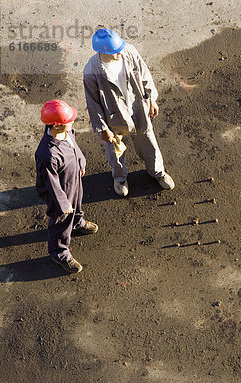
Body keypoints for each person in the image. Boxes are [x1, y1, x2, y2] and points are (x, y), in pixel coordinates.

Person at [83, 28, 174, 196]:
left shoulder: (129, 52)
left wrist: (151, 99)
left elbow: (144, 74)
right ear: (102, 51)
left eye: (119, 49)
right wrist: (102, 128)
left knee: (148, 141)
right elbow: (93, 103)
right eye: (114, 52)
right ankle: (120, 178)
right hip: (113, 116)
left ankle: (158, 172)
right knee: (115, 150)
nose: (119, 53)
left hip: (137, 107)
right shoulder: (91, 70)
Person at [35, 100, 98, 273]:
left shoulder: (66, 131)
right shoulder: (47, 154)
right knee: (60, 221)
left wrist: (81, 163)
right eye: (67, 121)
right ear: (55, 125)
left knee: (77, 203)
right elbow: (51, 183)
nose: (72, 122)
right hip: (60, 191)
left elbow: (74, 147)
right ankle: (59, 253)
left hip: (73, 180)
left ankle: (77, 222)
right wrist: (63, 204)